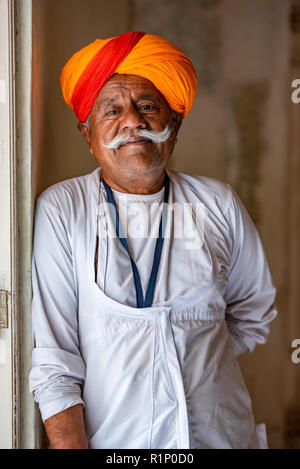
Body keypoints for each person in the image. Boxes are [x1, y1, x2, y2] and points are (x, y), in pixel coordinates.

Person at [29, 31, 277, 449]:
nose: (133, 121)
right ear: (87, 135)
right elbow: (55, 363)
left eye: (147, 106)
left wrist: (193, 350)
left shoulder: (217, 203)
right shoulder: (63, 209)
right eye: (112, 110)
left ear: (174, 124)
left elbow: (253, 311)